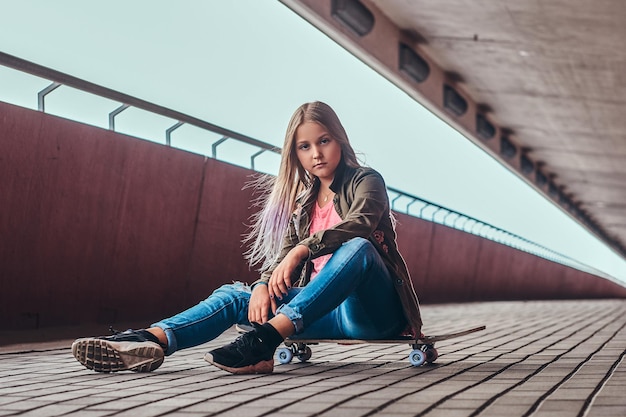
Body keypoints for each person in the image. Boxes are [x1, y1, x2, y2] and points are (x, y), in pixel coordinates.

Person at [72, 101, 422, 375]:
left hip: (373, 313)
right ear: (295, 154)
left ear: (339, 140)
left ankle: (264, 340)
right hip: (318, 311)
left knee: (358, 248)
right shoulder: (302, 205)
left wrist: (304, 249)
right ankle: (149, 341)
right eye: (304, 146)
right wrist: (261, 286)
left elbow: (361, 224)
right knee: (234, 294)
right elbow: (280, 262)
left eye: (324, 141)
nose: (316, 153)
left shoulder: (366, 181)